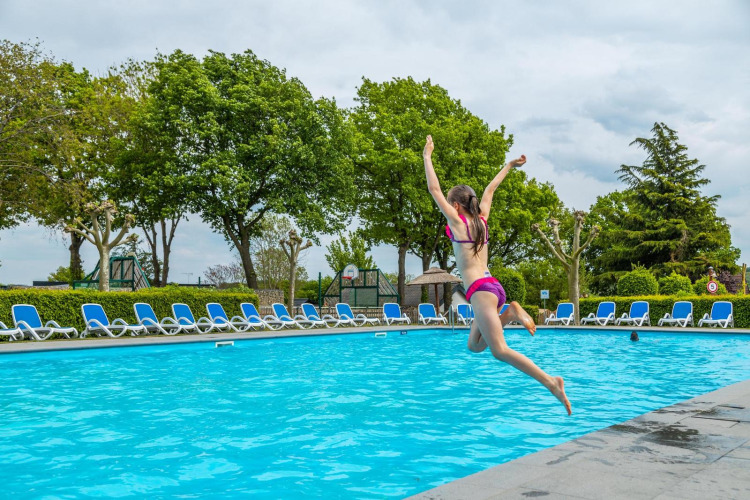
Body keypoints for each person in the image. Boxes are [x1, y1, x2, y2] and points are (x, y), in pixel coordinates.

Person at [423, 135, 571, 415]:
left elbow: (434, 189)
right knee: (474, 346)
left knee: (499, 351)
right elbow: (490, 190)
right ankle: (509, 313)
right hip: (492, 288)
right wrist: (509, 165)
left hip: (479, 291)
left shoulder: (458, 223)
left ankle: (551, 382)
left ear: (455, 206)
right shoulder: (482, 220)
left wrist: (427, 156)